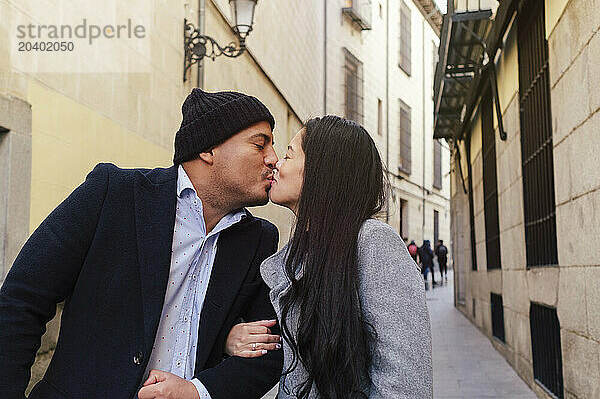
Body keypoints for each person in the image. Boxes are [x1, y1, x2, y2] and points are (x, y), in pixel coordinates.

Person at [0, 89, 284, 399]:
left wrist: (199, 391)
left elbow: (268, 351)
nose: (273, 158)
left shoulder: (259, 240)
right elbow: (21, 301)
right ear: (208, 149)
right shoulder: (115, 194)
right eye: (260, 144)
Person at [225, 116, 432, 398]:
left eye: (288, 155)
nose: (276, 163)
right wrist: (232, 337)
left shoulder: (372, 242)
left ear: (321, 171)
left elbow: (405, 384)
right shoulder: (296, 256)